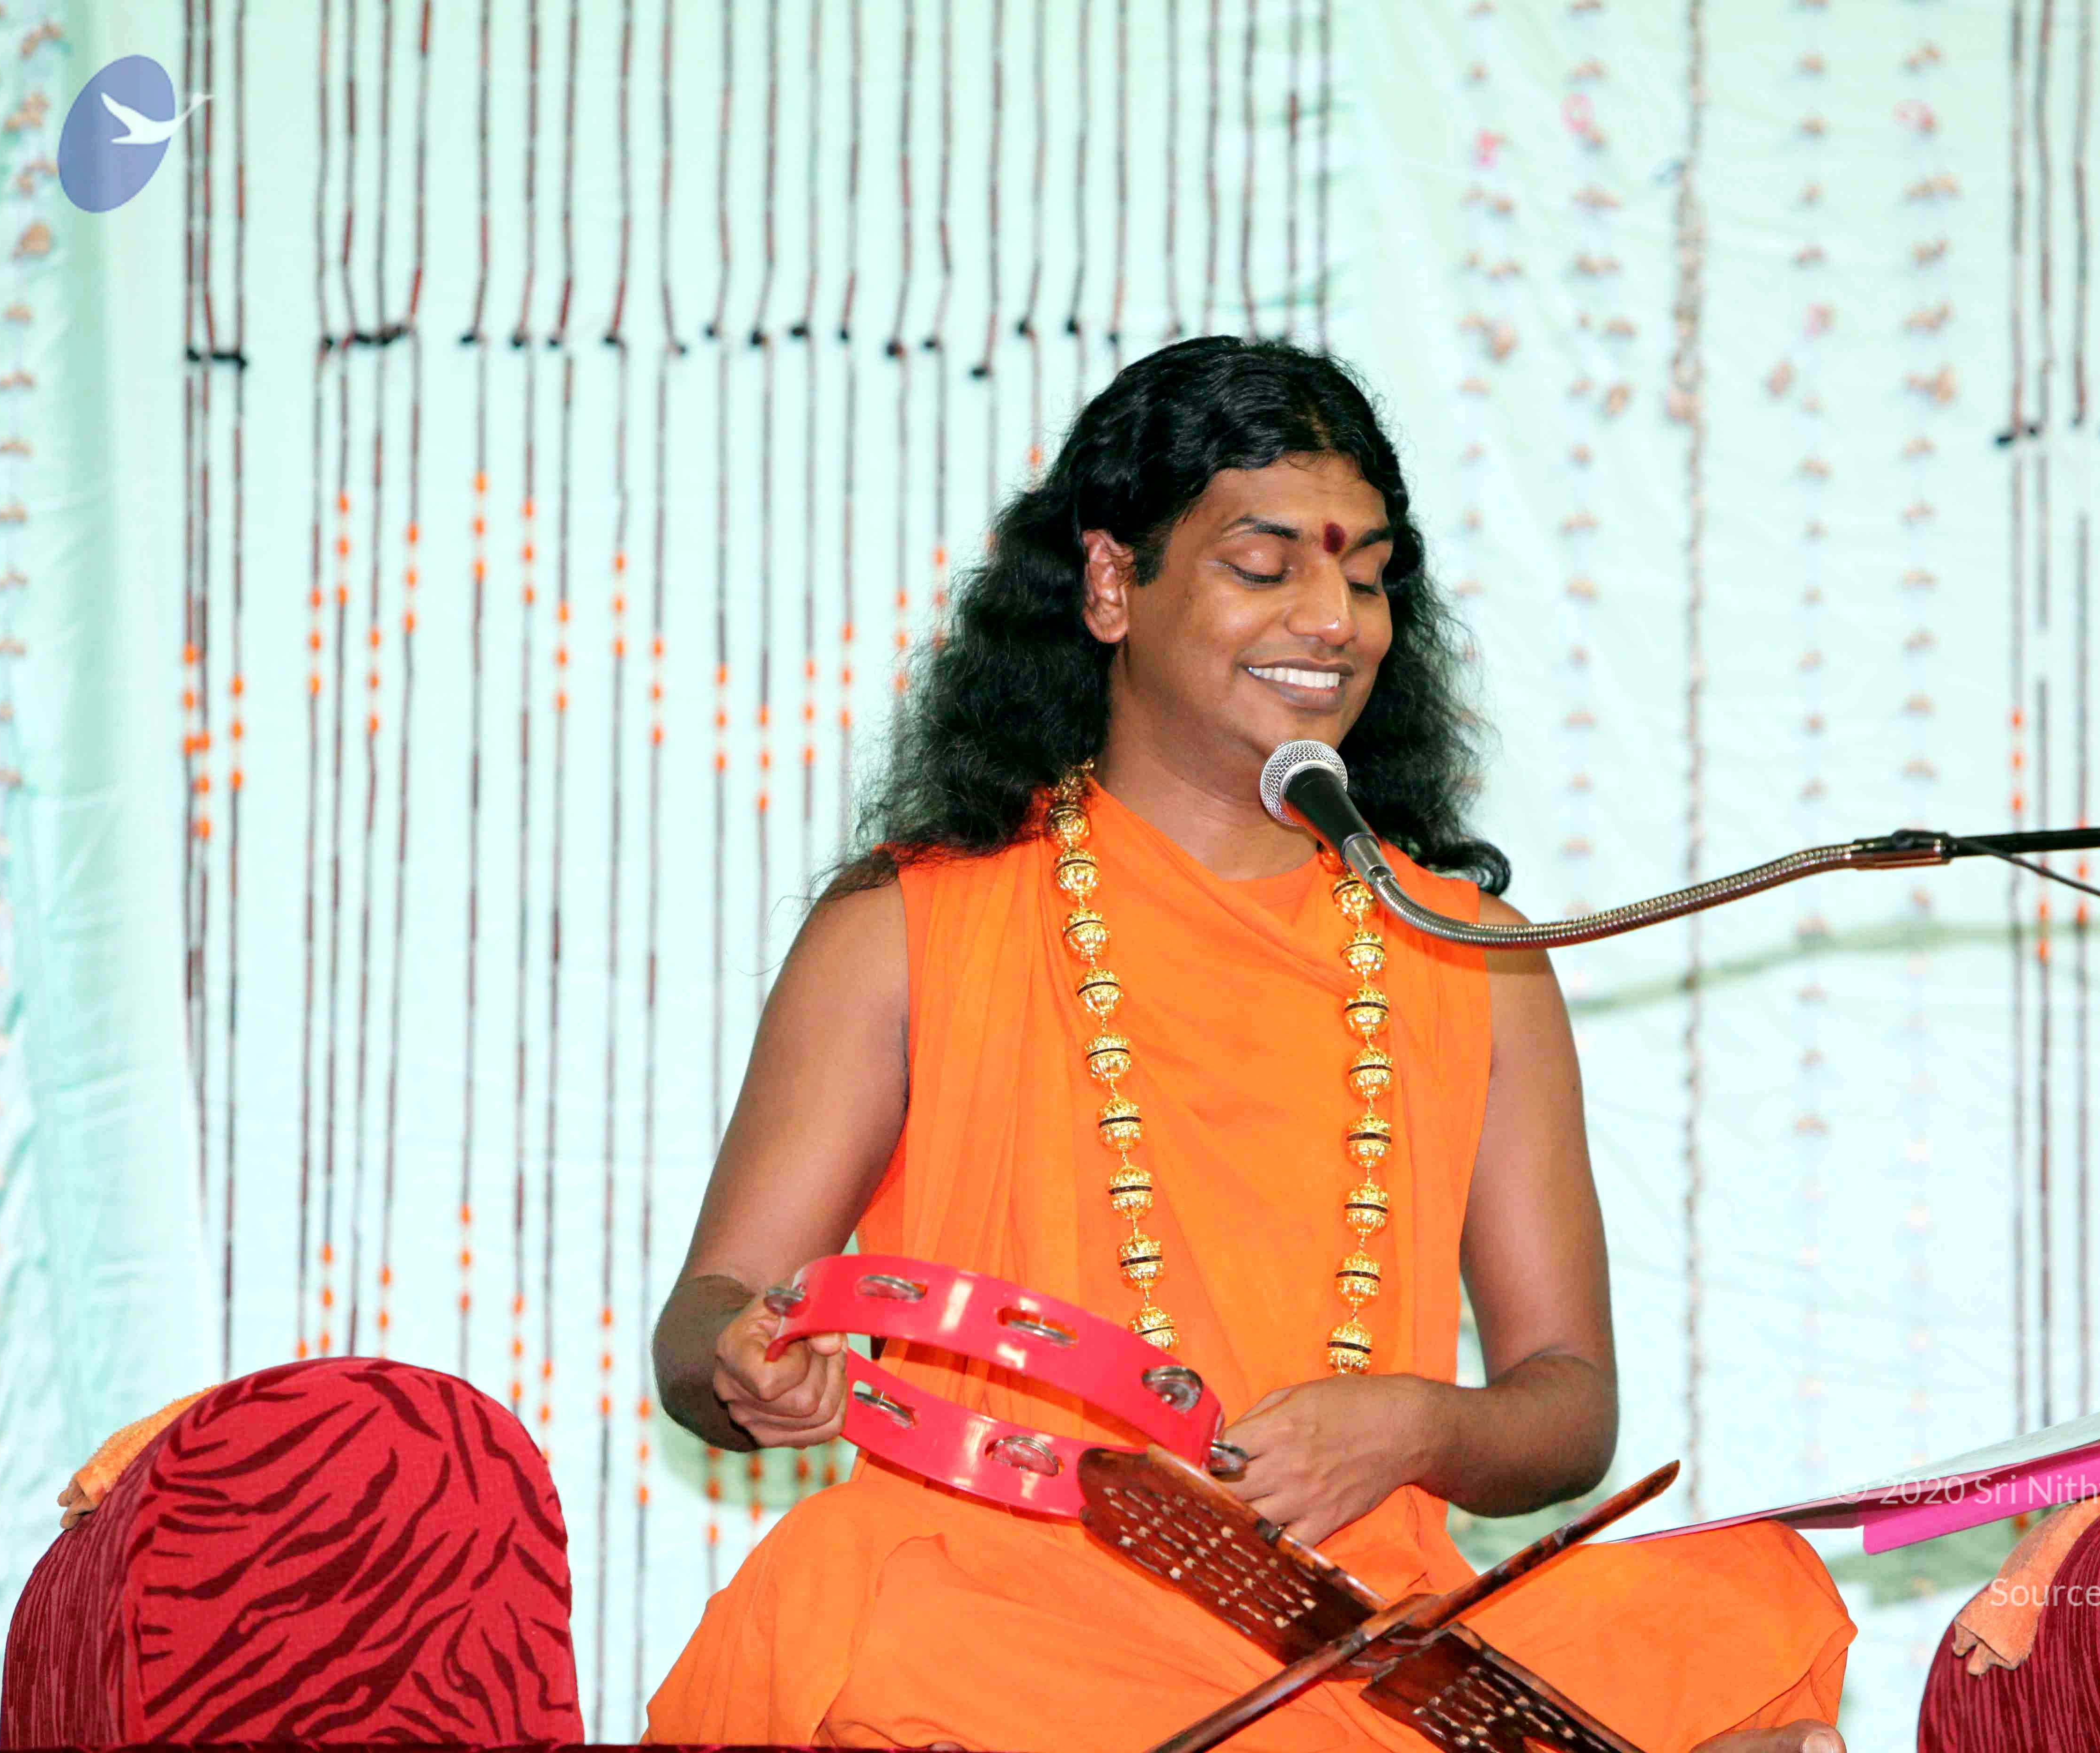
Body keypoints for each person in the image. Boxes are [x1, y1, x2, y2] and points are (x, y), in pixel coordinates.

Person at [646, 336, 1854, 1753]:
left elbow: (1568, 1407)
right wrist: (743, 1357)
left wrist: (1420, 1429)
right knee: (872, 1612)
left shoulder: (1468, 951)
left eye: (1368, 576)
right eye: (1265, 566)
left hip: (1365, 1628)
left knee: (1746, 1606)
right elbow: (708, 1312)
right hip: (1012, 1613)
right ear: (1113, 584)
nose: (1333, 620)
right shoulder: (910, 922)